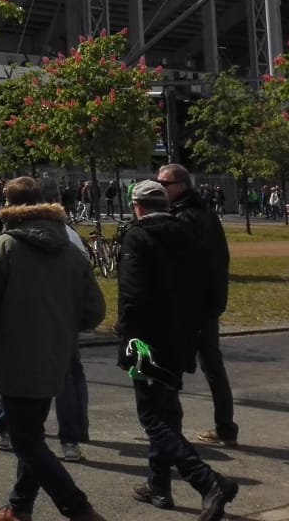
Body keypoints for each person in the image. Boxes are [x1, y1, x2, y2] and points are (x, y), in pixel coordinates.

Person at [0, 176, 108, 521]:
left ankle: (78, 509)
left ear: (9, 204)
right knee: (31, 435)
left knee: (26, 441)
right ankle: (19, 507)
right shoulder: (71, 249)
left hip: (17, 357)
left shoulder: (3, 247)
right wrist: (60, 324)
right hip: (55, 356)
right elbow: (94, 311)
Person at [117, 180, 239, 519]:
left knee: (152, 416)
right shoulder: (189, 234)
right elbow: (210, 283)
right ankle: (158, 483)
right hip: (182, 335)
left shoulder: (138, 237)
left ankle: (207, 481)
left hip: (146, 339)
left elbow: (132, 294)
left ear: (138, 207)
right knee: (168, 411)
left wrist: (126, 335)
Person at [156, 163, 237, 448]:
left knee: (174, 366)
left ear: (180, 186)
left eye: (164, 184)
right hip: (207, 302)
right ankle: (225, 427)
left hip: (192, 305)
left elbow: (183, 264)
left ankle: (170, 431)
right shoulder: (203, 214)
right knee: (211, 365)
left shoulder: (186, 217)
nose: (159, 188)